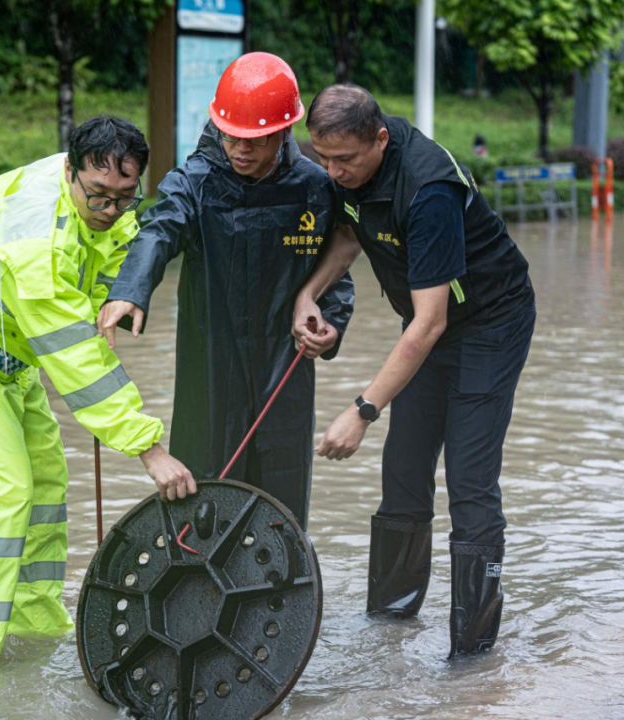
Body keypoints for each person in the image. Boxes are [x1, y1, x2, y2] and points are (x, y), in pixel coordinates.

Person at [293, 84, 535, 658]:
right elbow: (351, 234)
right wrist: (310, 293)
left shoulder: (428, 189)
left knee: (470, 480)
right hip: (428, 326)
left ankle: (472, 655)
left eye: (345, 160)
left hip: (488, 323)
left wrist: (362, 410)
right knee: (403, 468)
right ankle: (390, 626)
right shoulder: (349, 172)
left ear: (380, 139)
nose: (333, 172)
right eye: (322, 158)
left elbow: (427, 325)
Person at [0, 115, 195, 670]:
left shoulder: (103, 199)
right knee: (8, 493)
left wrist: (119, 294)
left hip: (12, 362)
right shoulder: (35, 241)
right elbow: (72, 355)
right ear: (70, 172)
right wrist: (149, 448)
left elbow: (115, 253)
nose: (111, 210)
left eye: (124, 197)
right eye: (99, 196)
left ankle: (34, 638)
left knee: (46, 488)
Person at [97, 53, 354, 529]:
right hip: (210, 364)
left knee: (282, 498)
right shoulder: (193, 182)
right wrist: (130, 289)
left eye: (254, 139)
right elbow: (159, 231)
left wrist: (330, 327)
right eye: (230, 133)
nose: (239, 147)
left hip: (286, 364)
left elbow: (336, 272)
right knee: (205, 491)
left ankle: (283, 590)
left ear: (282, 132)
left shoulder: (315, 188)